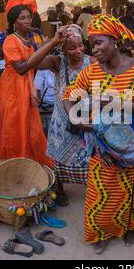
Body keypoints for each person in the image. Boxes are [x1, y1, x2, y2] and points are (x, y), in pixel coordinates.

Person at [63, 14, 134, 254]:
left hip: (132, 142)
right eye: (90, 44)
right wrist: (76, 117)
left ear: (114, 41)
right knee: (101, 190)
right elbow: (69, 95)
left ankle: (129, 227)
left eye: (98, 42)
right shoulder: (91, 73)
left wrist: (119, 103)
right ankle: (103, 231)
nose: (93, 49)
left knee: (132, 187)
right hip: (102, 145)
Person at [0, 0, 63, 167]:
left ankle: (32, 167)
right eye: (22, 18)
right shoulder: (11, 41)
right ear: (14, 22)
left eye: (28, 17)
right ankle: (15, 168)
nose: (27, 21)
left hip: (26, 86)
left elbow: (37, 64)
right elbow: (22, 68)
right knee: (15, 129)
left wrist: (57, 61)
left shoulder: (30, 39)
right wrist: (49, 45)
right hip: (12, 90)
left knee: (31, 128)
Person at [36, 24, 96, 206]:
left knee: (88, 155)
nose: (78, 51)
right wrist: (53, 41)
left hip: (84, 117)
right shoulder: (58, 62)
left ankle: (92, 188)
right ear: (63, 49)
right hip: (62, 118)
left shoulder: (91, 62)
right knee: (59, 154)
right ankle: (60, 188)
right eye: (72, 47)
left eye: (80, 46)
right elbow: (36, 62)